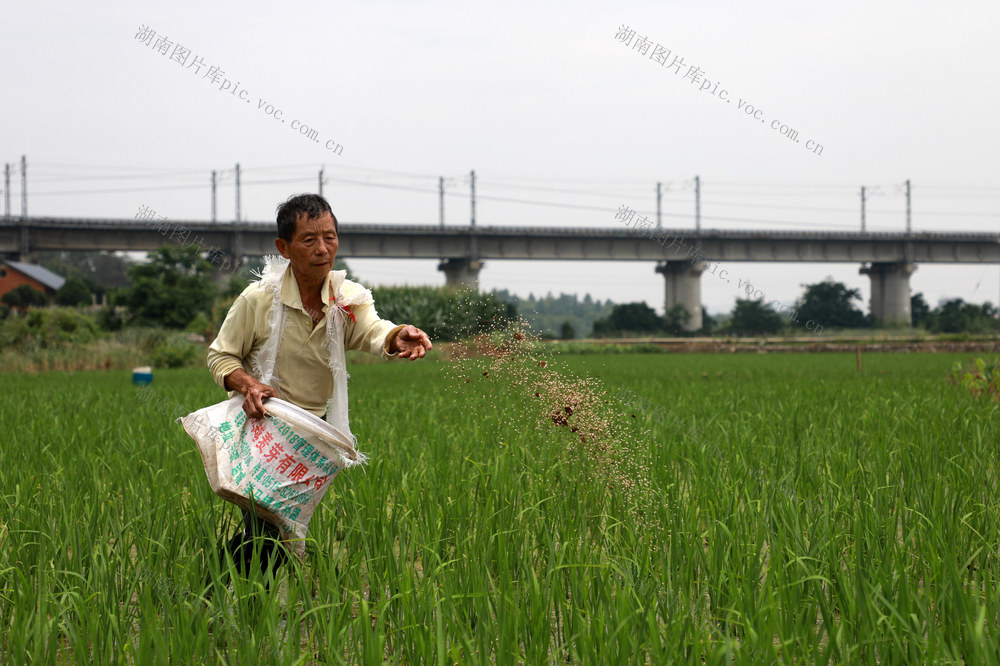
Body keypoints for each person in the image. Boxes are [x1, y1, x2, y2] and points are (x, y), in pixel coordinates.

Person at [206, 193, 432, 585]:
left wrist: (398, 336)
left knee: (276, 527)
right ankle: (242, 600)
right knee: (268, 524)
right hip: (262, 428)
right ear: (284, 247)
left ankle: (225, 589)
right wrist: (248, 384)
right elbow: (221, 357)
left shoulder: (346, 299)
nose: (322, 249)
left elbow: (372, 329)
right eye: (309, 240)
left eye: (329, 237)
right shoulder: (259, 299)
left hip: (314, 435)